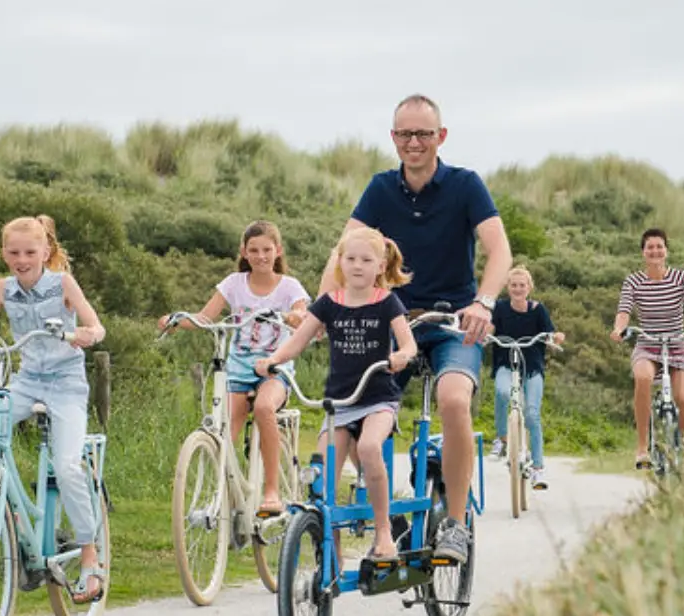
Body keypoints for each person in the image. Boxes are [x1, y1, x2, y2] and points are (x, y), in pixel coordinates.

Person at [321, 94, 510, 565]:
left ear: (441, 137)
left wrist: (483, 303)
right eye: (405, 134)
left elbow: (499, 251)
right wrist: (323, 308)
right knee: (355, 410)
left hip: (454, 322)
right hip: (394, 319)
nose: (414, 142)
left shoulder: (466, 185)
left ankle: (455, 524)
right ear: (393, 138)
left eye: (424, 133)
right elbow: (342, 250)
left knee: (452, 400)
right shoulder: (381, 189)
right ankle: (391, 508)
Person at [0, 215, 109, 603]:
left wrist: (86, 334)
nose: (22, 259)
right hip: (27, 380)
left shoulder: (63, 283)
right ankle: (3, 506)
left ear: (46, 252)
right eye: (13, 252)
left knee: (66, 467)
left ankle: (90, 557)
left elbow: (96, 326)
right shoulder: (3, 289)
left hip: (65, 384)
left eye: (30, 252)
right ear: (4, 254)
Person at [258, 227, 417, 563]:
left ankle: (384, 532)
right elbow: (297, 341)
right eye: (351, 259)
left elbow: (408, 343)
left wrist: (402, 356)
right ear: (340, 264)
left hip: (377, 398)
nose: (358, 266)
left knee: (370, 447)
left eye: (366, 260)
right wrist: (273, 360)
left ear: (379, 266)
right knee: (320, 478)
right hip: (340, 402)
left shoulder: (387, 302)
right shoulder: (329, 304)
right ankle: (331, 553)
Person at [159, 220, 310, 516]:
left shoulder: (289, 286)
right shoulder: (233, 283)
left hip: (275, 368)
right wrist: (176, 321)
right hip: (239, 367)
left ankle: (271, 491)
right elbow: (206, 317)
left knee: (265, 408)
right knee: (225, 426)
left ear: (278, 251)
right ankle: (223, 493)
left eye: (267, 250)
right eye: (253, 250)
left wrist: (295, 315)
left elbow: (302, 311)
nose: (261, 256)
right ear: (244, 251)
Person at [610, 227, 684, 470]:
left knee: (683, 398)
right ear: (643, 253)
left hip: (678, 344)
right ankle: (641, 448)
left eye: (659, 246)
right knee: (643, 377)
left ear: (666, 251)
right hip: (647, 344)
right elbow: (624, 311)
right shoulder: (633, 281)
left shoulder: (681, 278)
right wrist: (619, 329)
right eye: (650, 247)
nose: (655, 251)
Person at [486, 266, 564, 489]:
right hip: (506, 363)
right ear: (507, 288)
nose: (518, 289)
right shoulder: (499, 308)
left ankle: (538, 469)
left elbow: (550, 333)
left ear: (529, 287)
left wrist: (555, 337)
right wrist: (482, 335)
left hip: (532, 367)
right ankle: (501, 439)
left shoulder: (538, 310)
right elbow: (490, 329)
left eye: (522, 285)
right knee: (502, 392)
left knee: (532, 414)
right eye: (514, 285)